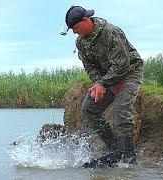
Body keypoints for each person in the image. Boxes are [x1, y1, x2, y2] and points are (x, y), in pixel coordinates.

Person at [63, 6, 143, 164]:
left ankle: (129, 157)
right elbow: (90, 67)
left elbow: (123, 64)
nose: (74, 32)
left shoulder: (111, 32)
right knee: (89, 109)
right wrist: (100, 83)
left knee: (120, 112)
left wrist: (103, 83)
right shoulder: (80, 43)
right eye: (72, 29)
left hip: (129, 73)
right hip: (107, 77)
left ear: (86, 20)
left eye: (76, 27)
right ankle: (115, 149)